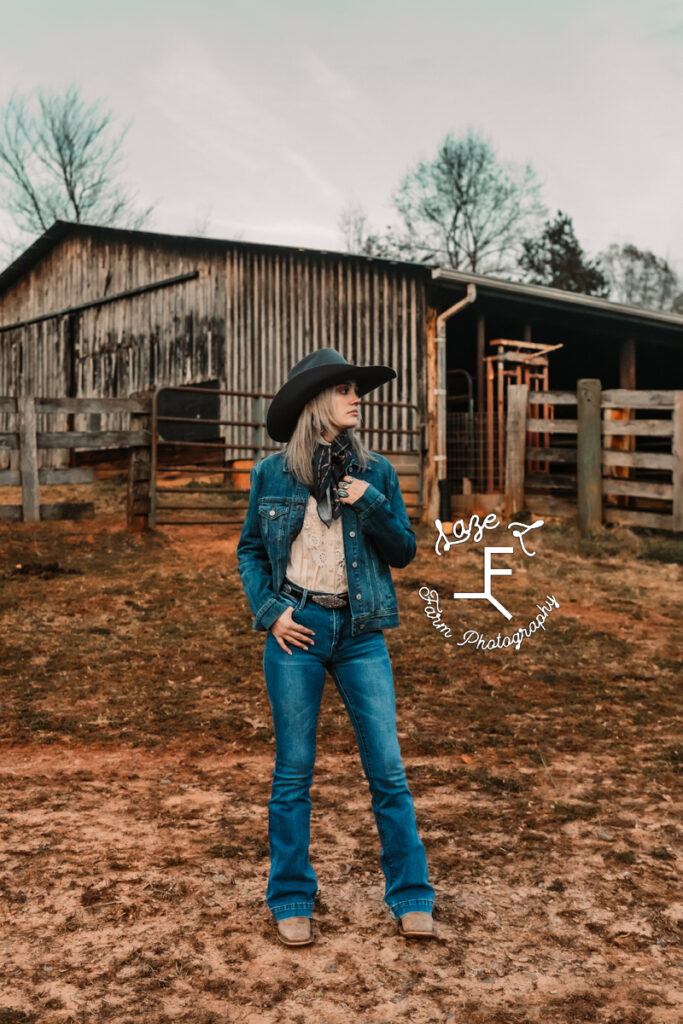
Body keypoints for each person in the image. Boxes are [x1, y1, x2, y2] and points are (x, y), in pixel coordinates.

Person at [236, 348, 435, 946]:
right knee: (293, 774)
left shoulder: (377, 473)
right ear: (316, 402)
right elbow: (249, 550)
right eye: (345, 389)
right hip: (297, 630)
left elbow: (404, 551)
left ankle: (411, 895)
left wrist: (366, 502)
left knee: (388, 771)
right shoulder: (272, 473)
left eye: (357, 390)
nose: (357, 399)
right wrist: (272, 613)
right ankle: (292, 895)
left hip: (360, 634)